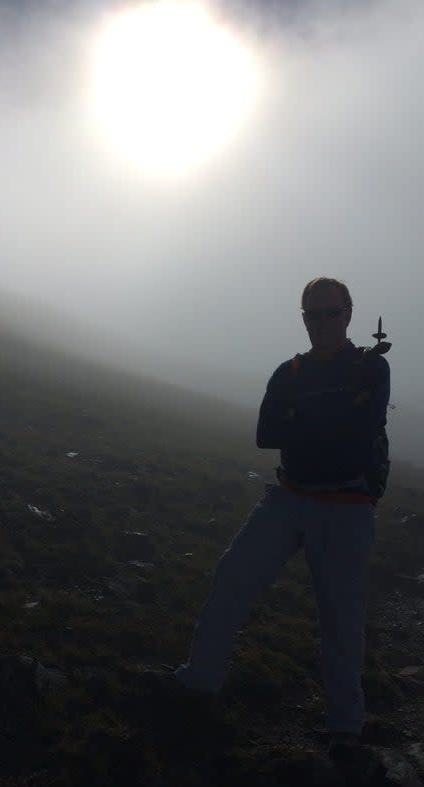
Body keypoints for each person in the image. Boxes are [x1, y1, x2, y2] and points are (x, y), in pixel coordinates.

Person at [155, 277, 390, 757]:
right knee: (232, 579)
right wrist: (334, 415)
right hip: (290, 496)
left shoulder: (370, 370)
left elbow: (359, 433)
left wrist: (302, 421)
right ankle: (198, 683)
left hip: (344, 506)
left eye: (330, 313)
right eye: (312, 314)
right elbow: (266, 434)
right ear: (303, 318)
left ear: (349, 313)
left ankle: (345, 729)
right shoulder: (294, 372)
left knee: (340, 621)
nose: (321, 322)